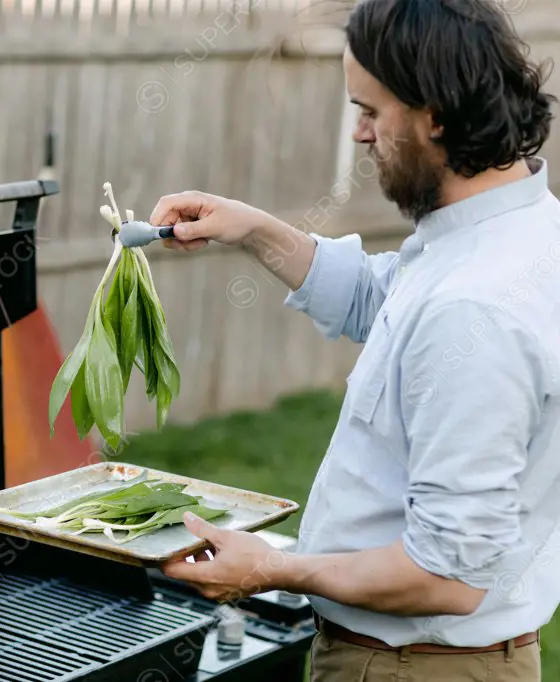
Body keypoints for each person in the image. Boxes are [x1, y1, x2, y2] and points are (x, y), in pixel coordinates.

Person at [155, 0, 559, 680]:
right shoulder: (514, 232)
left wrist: (271, 569)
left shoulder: (475, 306)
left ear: (434, 112)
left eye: (370, 111)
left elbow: (444, 577)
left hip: (410, 665)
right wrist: (255, 229)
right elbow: (390, 304)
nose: (360, 135)